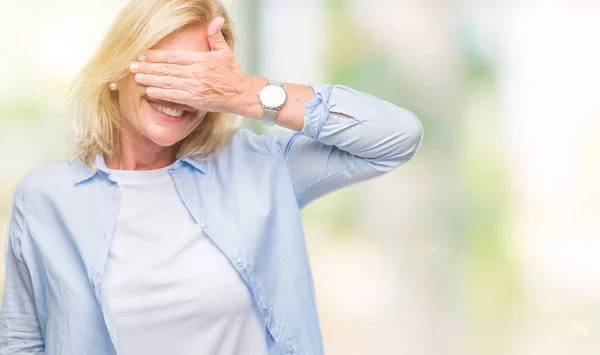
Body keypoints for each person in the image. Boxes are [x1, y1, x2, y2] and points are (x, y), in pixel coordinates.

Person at [0, 0, 423, 354]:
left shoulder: (262, 169)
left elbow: (396, 137)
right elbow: (21, 342)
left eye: (199, 78)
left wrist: (245, 92)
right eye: (168, 69)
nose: (180, 94)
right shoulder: (45, 199)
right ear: (117, 69)